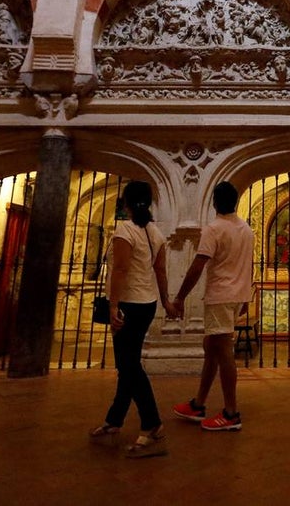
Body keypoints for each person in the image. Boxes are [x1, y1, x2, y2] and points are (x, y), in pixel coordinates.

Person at [89, 180, 177, 458]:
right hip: (147, 303)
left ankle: (152, 425)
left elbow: (120, 270)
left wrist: (113, 307)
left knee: (129, 366)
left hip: (128, 304)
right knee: (127, 364)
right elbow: (161, 271)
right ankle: (114, 419)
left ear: (125, 202)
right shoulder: (156, 233)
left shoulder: (125, 229)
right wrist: (165, 301)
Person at [172, 181, 254, 431]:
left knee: (223, 351)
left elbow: (198, 264)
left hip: (220, 294)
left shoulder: (214, 229)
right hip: (236, 295)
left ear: (215, 202)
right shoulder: (246, 229)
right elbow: (249, 266)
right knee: (211, 346)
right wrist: (245, 298)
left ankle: (231, 412)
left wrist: (180, 297)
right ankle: (199, 403)